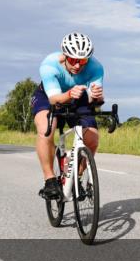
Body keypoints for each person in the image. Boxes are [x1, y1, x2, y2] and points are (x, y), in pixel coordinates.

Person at [32, 32, 104, 200]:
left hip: (77, 97)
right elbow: (54, 99)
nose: (78, 66)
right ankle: (49, 180)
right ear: (64, 56)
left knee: (92, 138)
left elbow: (96, 101)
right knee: (46, 129)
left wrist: (98, 96)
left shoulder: (96, 67)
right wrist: (70, 93)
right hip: (49, 96)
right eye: (73, 60)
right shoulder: (49, 65)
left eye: (83, 61)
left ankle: (75, 178)